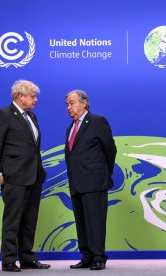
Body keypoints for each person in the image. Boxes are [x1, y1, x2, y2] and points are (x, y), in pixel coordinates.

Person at [0, 80, 50, 272]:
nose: (36, 100)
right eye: (33, 96)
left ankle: (27, 258)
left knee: (30, 220)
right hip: (14, 176)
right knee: (13, 220)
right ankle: (8, 260)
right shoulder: (3, 115)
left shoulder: (32, 117)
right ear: (20, 96)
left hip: (34, 177)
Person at [65, 89, 117, 270]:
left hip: (95, 182)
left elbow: (110, 150)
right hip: (77, 182)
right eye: (67, 105)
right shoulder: (70, 128)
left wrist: (103, 173)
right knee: (81, 222)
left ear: (84, 103)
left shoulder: (97, 122)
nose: (69, 108)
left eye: (72, 103)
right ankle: (86, 255)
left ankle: (98, 257)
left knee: (95, 221)